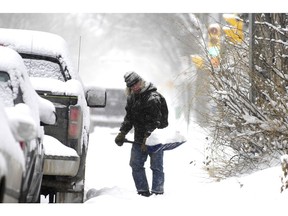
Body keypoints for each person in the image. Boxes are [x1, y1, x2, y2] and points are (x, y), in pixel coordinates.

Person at [114, 71, 165, 197]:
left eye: (136, 84)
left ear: (141, 81)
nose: (134, 87)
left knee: (156, 167)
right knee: (135, 164)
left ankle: (158, 193)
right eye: (131, 86)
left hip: (155, 138)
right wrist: (122, 132)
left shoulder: (153, 97)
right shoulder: (132, 98)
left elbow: (156, 121)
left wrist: (147, 139)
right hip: (139, 138)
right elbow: (129, 118)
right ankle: (143, 192)